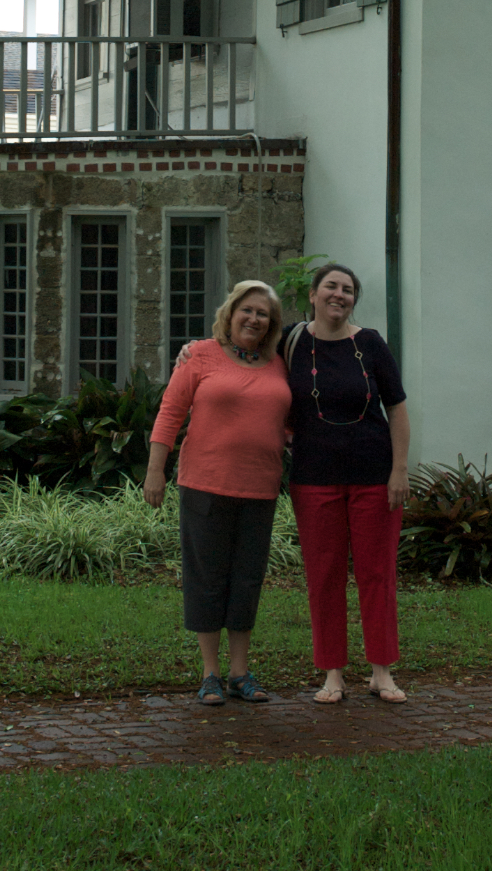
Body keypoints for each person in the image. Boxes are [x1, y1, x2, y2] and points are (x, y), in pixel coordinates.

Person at [143, 279, 291, 706]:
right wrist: (155, 471)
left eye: (263, 314)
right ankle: (210, 674)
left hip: (260, 488)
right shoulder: (200, 355)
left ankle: (240, 673)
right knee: (206, 577)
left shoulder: (280, 364)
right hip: (204, 485)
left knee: (247, 579)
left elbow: (292, 420)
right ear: (230, 313)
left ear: (271, 324)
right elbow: (170, 412)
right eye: (247, 310)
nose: (254, 319)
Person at [286, 262, 410, 704]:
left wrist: (399, 470)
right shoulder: (291, 342)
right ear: (313, 294)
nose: (339, 294)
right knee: (324, 577)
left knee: (377, 574)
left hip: (374, 477)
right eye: (331, 286)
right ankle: (332, 674)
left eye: (348, 289)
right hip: (313, 479)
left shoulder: (370, 343)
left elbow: (397, 408)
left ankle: (382, 672)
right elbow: (239, 349)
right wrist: (194, 349)